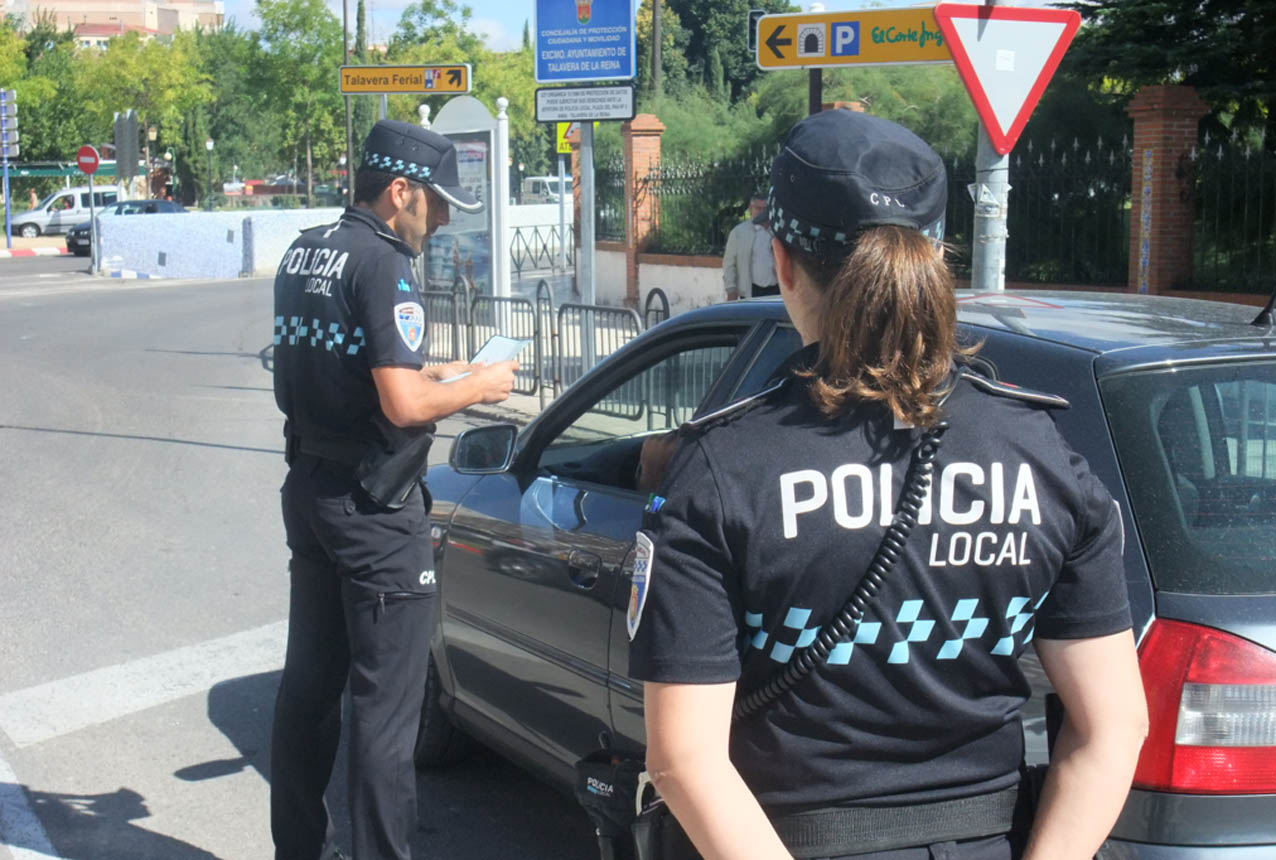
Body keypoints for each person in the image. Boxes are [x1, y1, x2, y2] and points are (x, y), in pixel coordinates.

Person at [628, 110, 1148, 860]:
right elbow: (1114, 727)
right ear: (936, 257)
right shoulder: (1043, 453)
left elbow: (684, 759)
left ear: (781, 261)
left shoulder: (720, 469)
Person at [271, 119, 518, 860]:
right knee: (385, 716)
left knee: (310, 690)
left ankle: (300, 850)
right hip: (375, 510)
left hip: (312, 488)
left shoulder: (306, 248)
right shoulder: (383, 263)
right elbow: (403, 408)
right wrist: (480, 383)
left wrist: (434, 370)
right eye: (434, 203)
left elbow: (360, 368)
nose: (440, 219)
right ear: (399, 191)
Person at [722, 194, 772, 301]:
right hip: (751, 291)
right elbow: (729, 264)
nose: (762, 211)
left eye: (765, 208)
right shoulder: (738, 233)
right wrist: (731, 290)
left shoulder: (776, 231)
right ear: (750, 209)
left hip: (776, 290)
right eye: (758, 208)